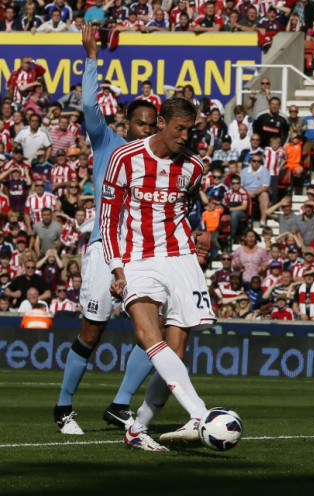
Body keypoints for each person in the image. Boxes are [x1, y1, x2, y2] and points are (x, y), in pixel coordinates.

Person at [53, 23, 159, 436]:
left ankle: (119, 406)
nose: (145, 130)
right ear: (127, 123)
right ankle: (63, 409)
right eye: (140, 123)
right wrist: (92, 58)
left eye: (151, 124)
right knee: (92, 332)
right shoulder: (107, 142)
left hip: (142, 254)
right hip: (104, 247)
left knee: (158, 331)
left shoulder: (158, 161)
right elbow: (90, 108)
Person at [101, 97, 216, 452]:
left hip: (181, 257)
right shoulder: (124, 159)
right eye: (179, 128)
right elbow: (108, 221)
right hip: (137, 258)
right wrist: (117, 268)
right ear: (161, 122)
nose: (185, 136)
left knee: (176, 350)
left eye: (190, 129)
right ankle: (200, 414)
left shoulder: (193, 167)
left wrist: (201, 233)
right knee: (146, 331)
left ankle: (137, 429)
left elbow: (190, 205)